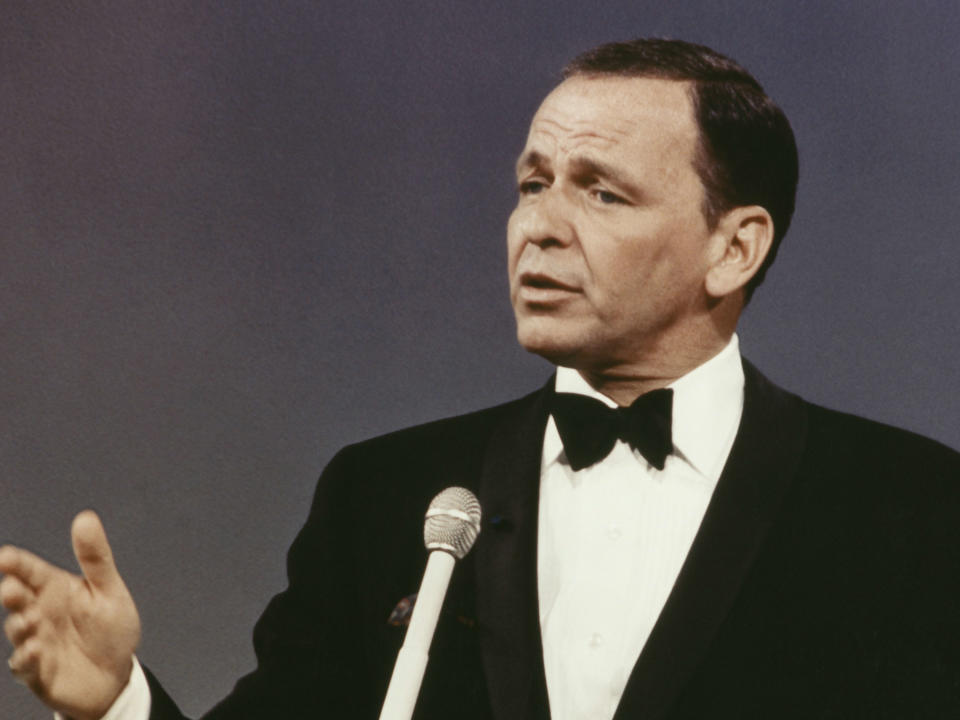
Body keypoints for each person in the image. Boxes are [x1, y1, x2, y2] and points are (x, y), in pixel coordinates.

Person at [2, 37, 958, 720]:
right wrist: (117, 702)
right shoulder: (381, 495)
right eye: (533, 182)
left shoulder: (911, 505)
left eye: (601, 190)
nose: (537, 225)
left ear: (734, 247)